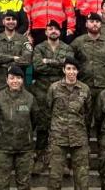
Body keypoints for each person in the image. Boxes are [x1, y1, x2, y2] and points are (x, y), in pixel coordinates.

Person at [44, 57, 92, 190]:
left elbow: (88, 113)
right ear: (64, 70)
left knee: (82, 182)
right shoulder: (54, 88)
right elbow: (47, 111)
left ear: (78, 71)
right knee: (54, 181)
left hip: (79, 140)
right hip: (58, 139)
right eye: (68, 68)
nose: (71, 72)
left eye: (74, 69)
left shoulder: (85, 89)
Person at [31, 20, 74, 172]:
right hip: (42, 90)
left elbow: (67, 66)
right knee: (43, 126)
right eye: (50, 29)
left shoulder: (67, 48)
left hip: (62, 90)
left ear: (60, 32)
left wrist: (48, 61)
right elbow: (38, 66)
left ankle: (61, 162)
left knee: (62, 126)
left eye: (56, 29)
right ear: (46, 32)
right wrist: (58, 65)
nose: (53, 31)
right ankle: (40, 159)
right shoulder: (39, 47)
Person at [71, 12, 105, 130]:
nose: (95, 24)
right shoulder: (77, 42)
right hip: (84, 86)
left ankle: (102, 141)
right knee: (83, 118)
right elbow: (71, 63)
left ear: (101, 24)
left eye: (97, 22)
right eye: (91, 22)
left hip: (104, 86)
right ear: (86, 24)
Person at [0, 11, 33, 91]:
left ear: (16, 22)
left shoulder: (23, 39)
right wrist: (14, 58)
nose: (11, 21)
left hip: (17, 82)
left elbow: (27, 60)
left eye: (13, 19)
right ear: (3, 22)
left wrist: (2, 62)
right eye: (8, 19)